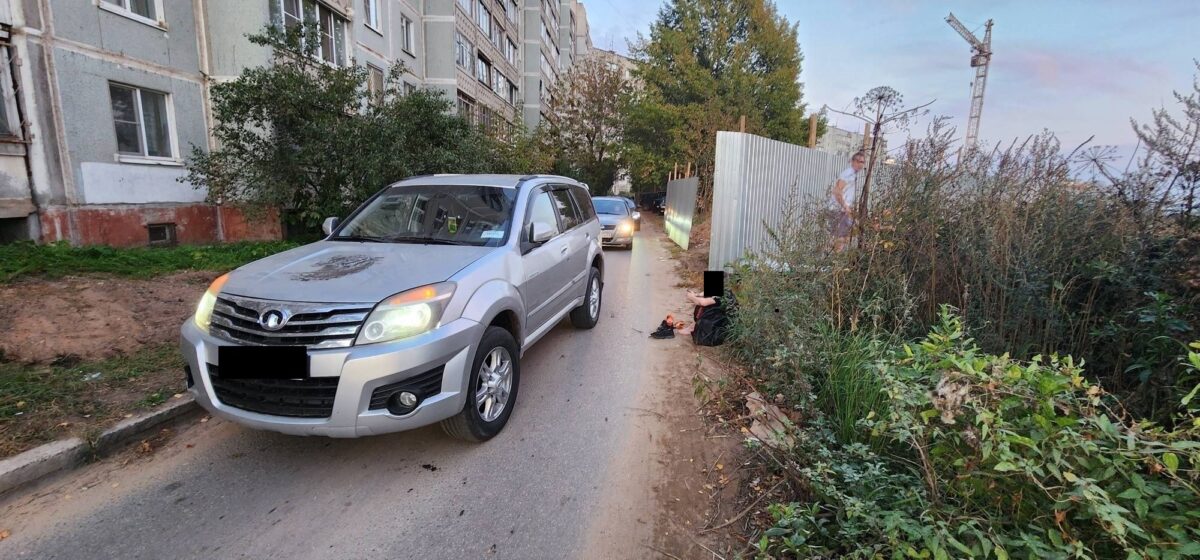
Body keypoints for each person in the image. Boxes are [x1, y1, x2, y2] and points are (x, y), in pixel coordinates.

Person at [828, 151, 866, 252]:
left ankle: (830, 251)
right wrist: (845, 206)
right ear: (852, 161)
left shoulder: (853, 175)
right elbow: (837, 191)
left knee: (853, 231)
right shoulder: (848, 173)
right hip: (838, 210)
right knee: (840, 239)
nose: (860, 164)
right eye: (858, 161)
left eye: (862, 162)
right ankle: (835, 262)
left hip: (843, 210)